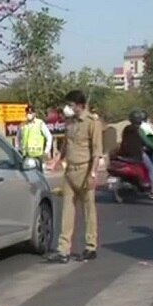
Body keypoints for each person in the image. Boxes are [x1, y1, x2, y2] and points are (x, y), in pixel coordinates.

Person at [46, 90, 102, 263]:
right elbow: (66, 144)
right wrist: (57, 160)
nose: (67, 108)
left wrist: (93, 173)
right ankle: (63, 250)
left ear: (80, 105)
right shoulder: (69, 123)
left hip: (85, 170)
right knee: (67, 211)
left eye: (71, 105)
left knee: (88, 210)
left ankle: (90, 246)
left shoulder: (92, 123)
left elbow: (96, 151)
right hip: (69, 171)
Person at [16, 104, 53, 169]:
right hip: (25, 156)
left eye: (30, 112)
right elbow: (18, 138)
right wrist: (18, 149)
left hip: (37, 156)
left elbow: (49, 137)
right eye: (27, 112)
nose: (28, 114)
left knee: (38, 176)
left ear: (34, 114)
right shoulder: (22, 125)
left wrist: (46, 151)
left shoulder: (40, 123)